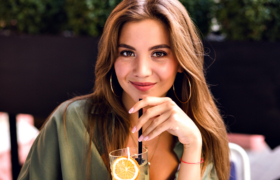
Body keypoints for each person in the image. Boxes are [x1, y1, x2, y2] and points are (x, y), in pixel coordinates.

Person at [18, 0, 230, 179]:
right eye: (127, 53)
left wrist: (193, 146)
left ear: (181, 61)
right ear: (112, 59)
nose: (142, 71)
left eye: (159, 53)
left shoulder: (201, 133)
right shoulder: (69, 121)